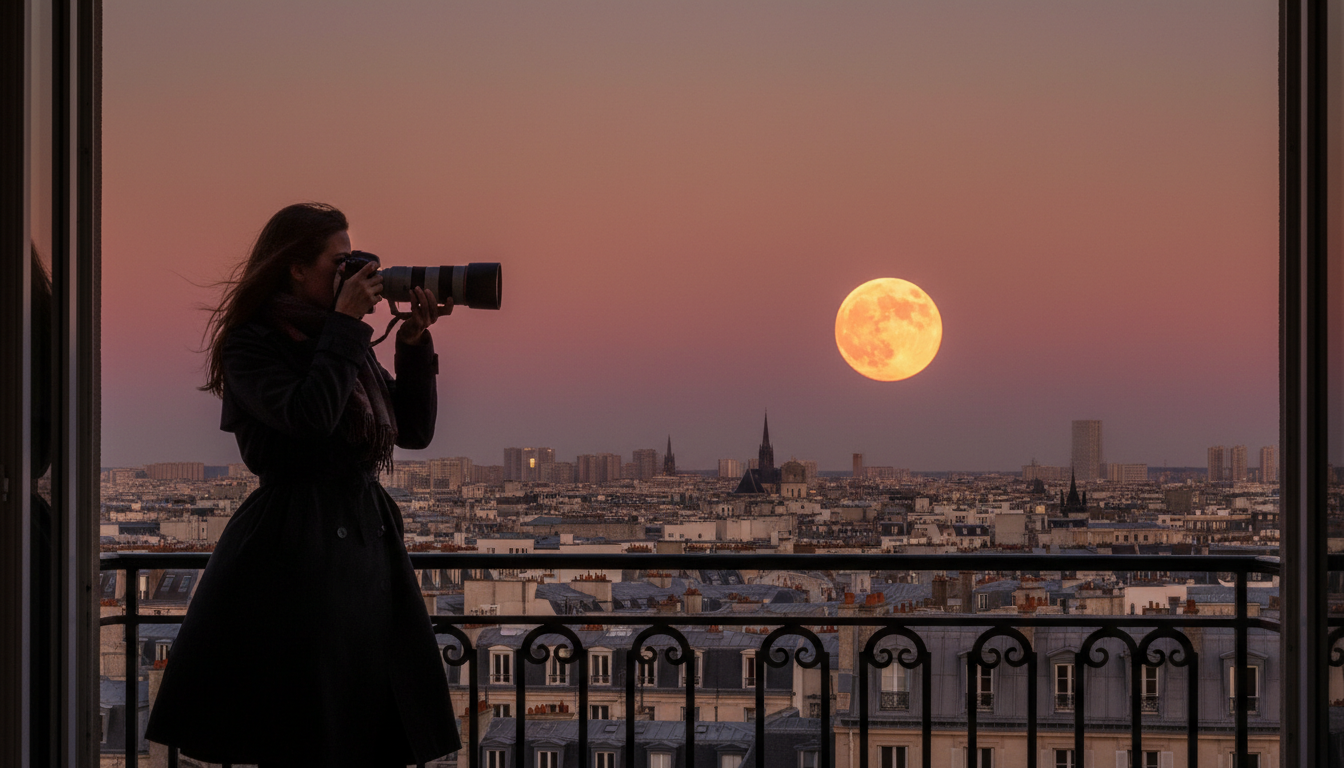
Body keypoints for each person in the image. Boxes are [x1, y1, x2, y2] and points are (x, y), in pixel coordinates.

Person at [145, 203, 461, 766]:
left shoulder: (344, 343)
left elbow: (412, 431)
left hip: (358, 544)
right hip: (293, 552)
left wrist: (412, 343)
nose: (351, 275)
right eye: (339, 263)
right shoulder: (254, 343)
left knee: (360, 729)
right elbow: (310, 417)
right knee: (306, 729)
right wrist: (344, 326)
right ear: (294, 267)